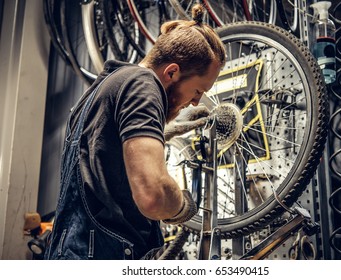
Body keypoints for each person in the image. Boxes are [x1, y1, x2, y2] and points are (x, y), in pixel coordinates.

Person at [44, 4, 226, 260]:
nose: (196, 102)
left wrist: (166, 131)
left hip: (76, 249)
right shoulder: (143, 86)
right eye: (198, 91)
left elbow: (106, 155)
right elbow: (153, 196)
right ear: (172, 72)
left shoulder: (107, 86)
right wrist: (181, 205)